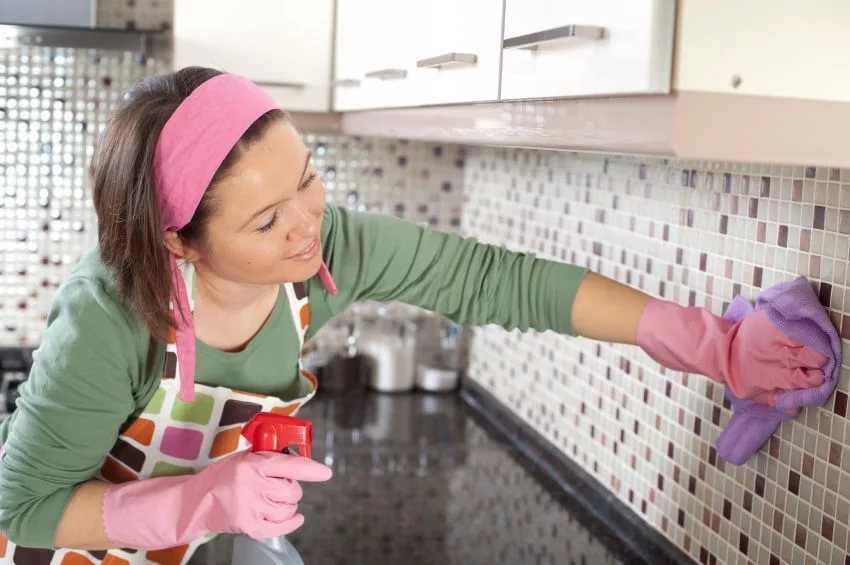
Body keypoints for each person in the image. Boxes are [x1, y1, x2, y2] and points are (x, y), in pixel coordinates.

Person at [0, 67, 830, 564]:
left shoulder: (326, 251)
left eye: (308, 177)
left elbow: (495, 280)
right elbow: (23, 509)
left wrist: (707, 340)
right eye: (265, 220)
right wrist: (198, 502)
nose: (307, 222)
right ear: (180, 244)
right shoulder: (110, 316)